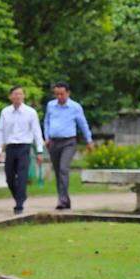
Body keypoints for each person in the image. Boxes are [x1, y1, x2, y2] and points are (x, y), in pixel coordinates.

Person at [42, 81, 94, 210]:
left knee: (64, 169)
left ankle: (62, 200)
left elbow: (83, 124)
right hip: (54, 142)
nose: (59, 97)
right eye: (57, 94)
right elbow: (47, 121)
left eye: (62, 94)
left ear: (68, 93)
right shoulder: (51, 105)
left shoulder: (75, 107)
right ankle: (65, 199)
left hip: (68, 142)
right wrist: (46, 137)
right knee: (58, 172)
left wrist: (89, 140)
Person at [0, 86, 44, 215]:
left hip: (24, 147)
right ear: (10, 96)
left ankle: (19, 204)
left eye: (20, 94)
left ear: (23, 96)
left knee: (22, 175)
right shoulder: (5, 112)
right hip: (10, 147)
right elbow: (0, 131)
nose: (18, 96)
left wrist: (39, 151)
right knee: (9, 176)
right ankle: (20, 196)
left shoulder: (31, 112)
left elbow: (37, 132)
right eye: (15, 94)